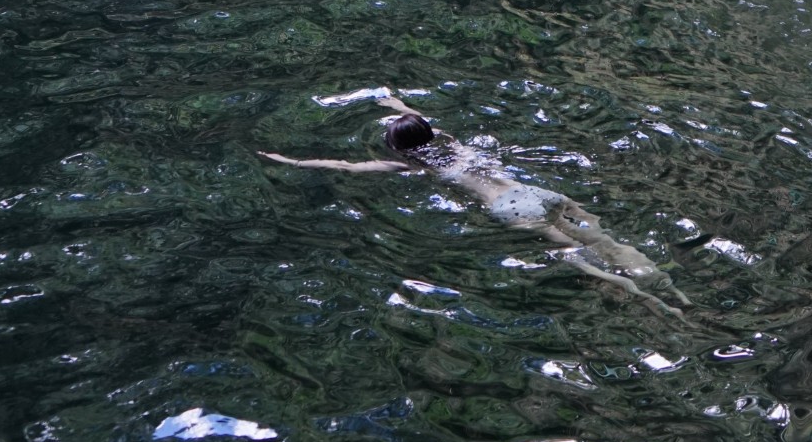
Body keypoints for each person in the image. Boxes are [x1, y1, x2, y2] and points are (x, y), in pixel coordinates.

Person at [261, 95, 689, 313]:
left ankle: (642, 296)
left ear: (398, 148)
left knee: (572, 252)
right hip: (538, 191)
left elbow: (348, 166)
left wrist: (292, 159)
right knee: (602, 239)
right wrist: (399, 104)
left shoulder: (416, 168)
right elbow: (422, 122)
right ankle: (669, 289)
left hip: (510, 209)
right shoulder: (449, 142)